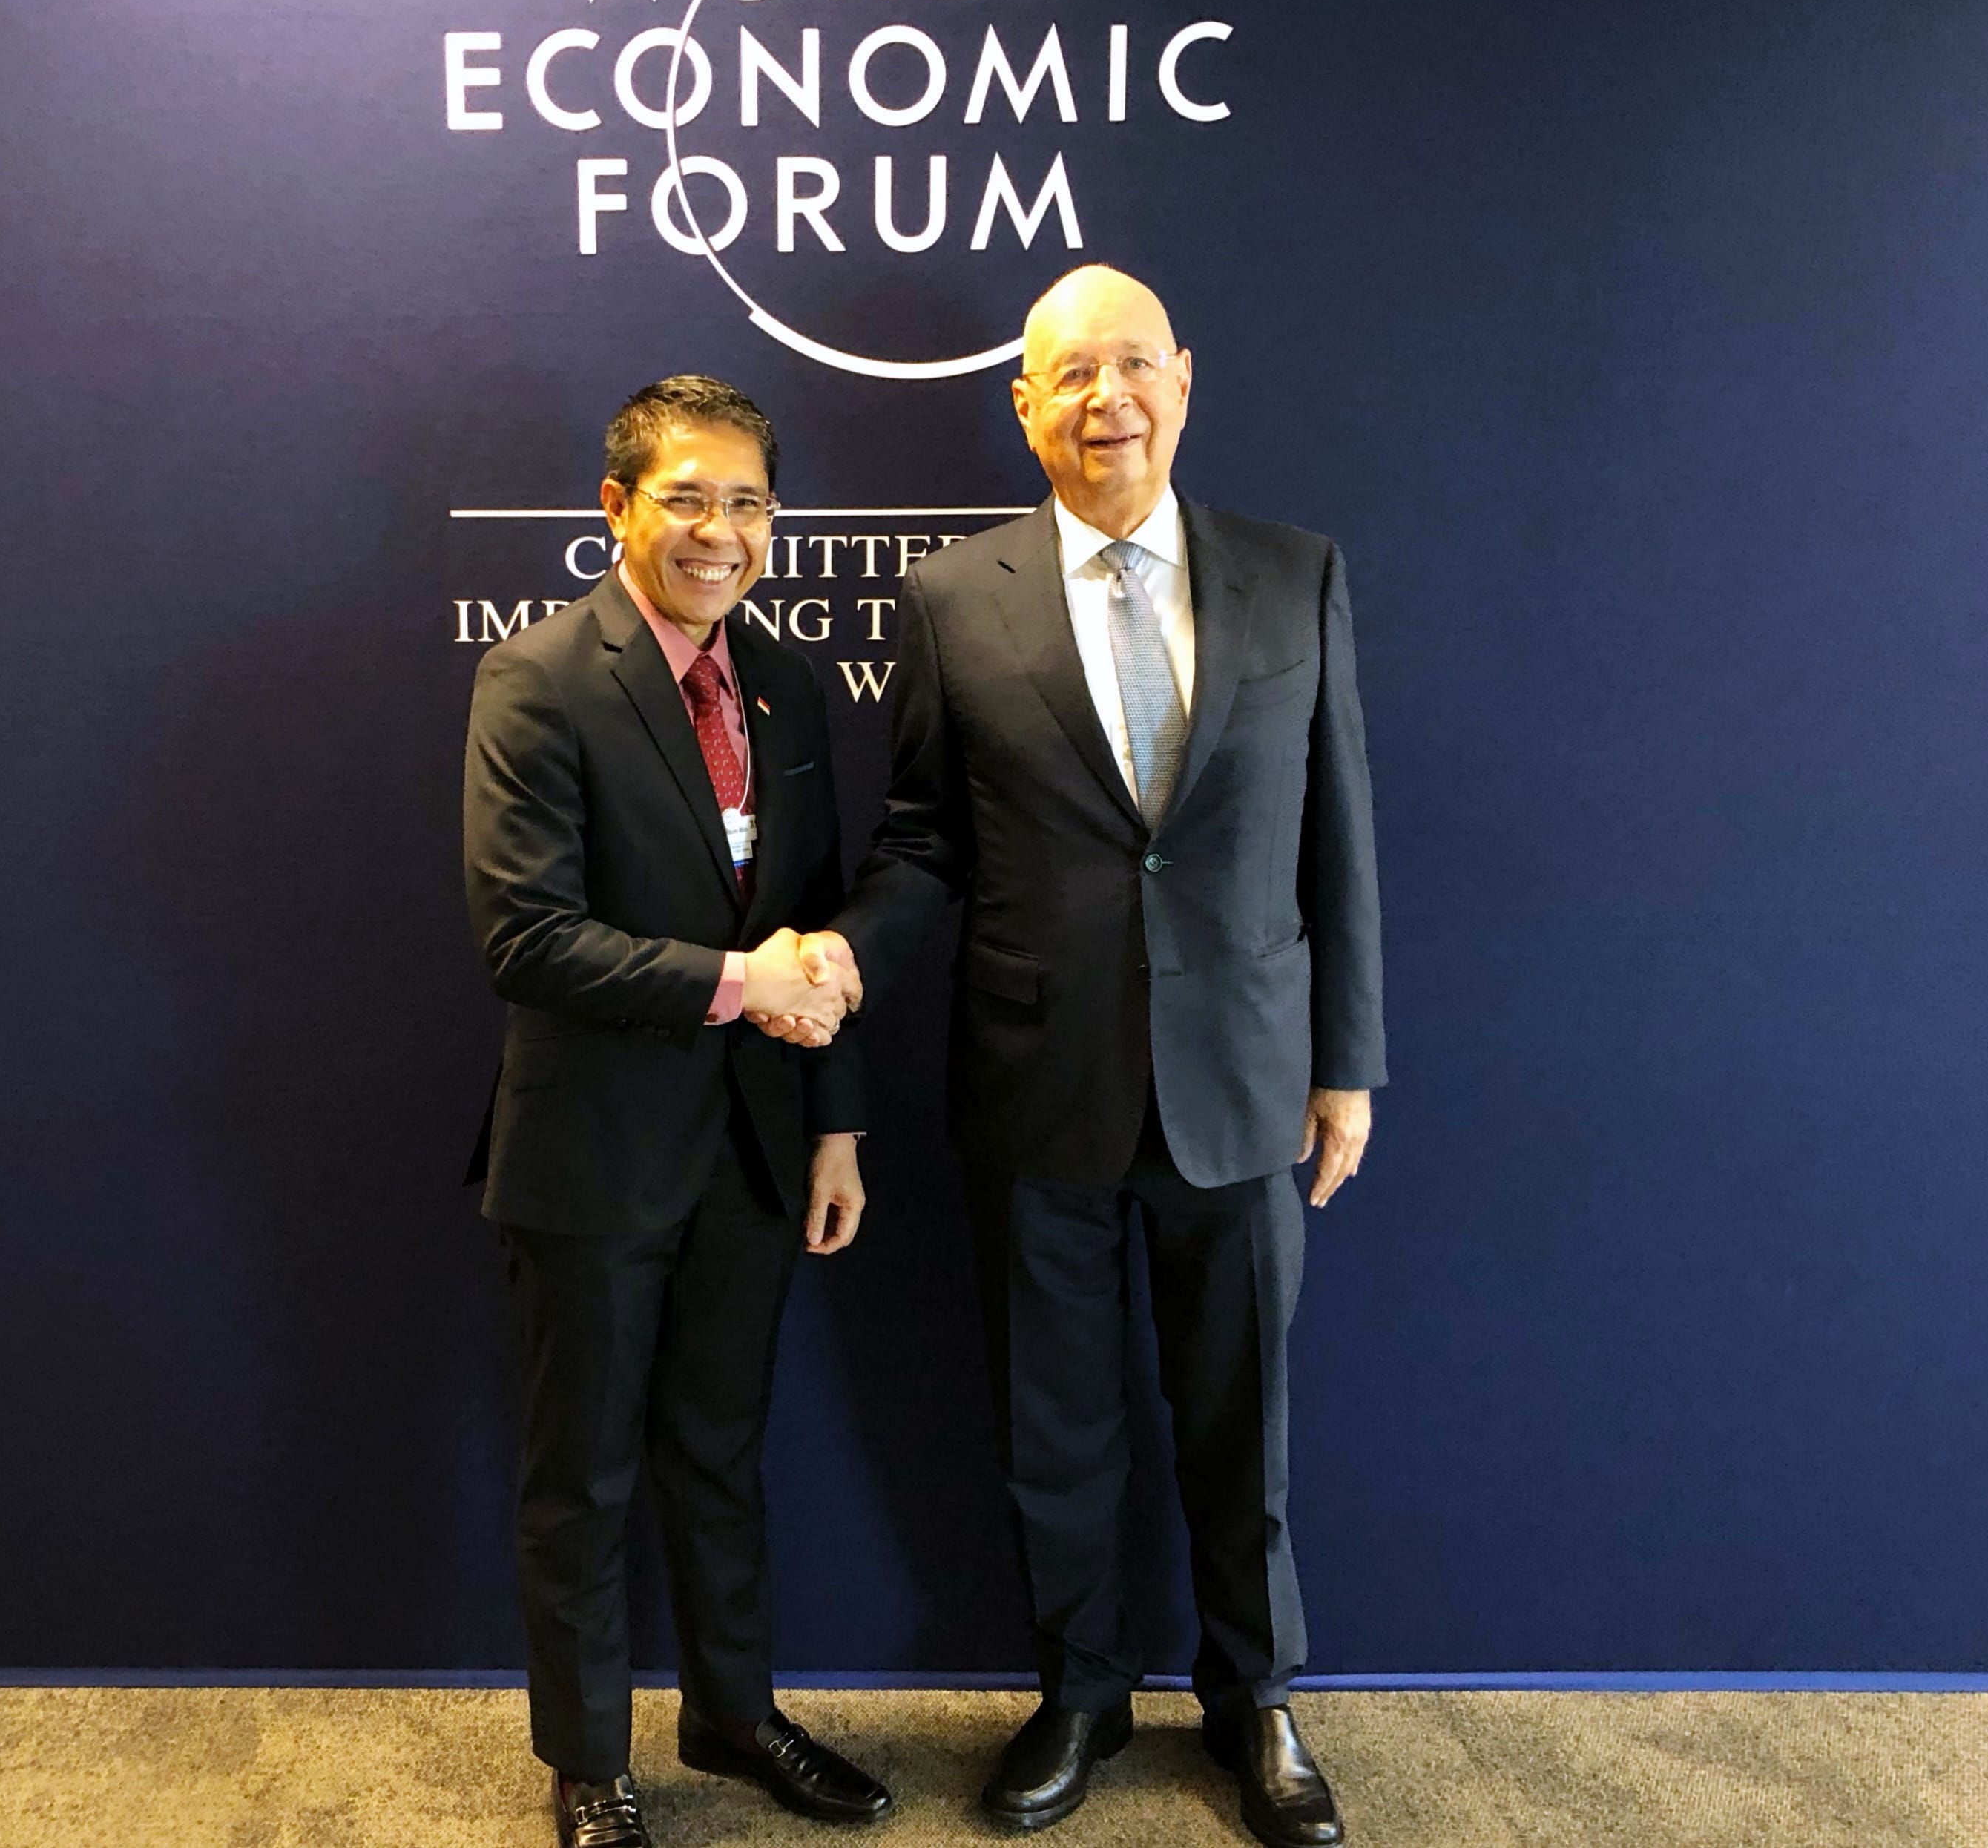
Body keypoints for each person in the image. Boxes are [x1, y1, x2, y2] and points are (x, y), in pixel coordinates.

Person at [765, 266, 1383, 1846]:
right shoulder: (951, 597)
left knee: (1241, 1422)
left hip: (1241, 1078)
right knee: (1054, 1424)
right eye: (1070, 376)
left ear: (1181, 377)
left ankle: (1256, 1701)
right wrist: (848, 949)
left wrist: (1345, 1060)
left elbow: (1338, 831)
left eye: (1131, 365)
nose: (1106, 400)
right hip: (1034, 1080)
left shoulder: (1294, 572)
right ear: (1024, 407)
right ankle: (1082, 1692)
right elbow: (923, 836)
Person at [462, 375, 895, 1848]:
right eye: (687, 499)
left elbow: (814, 922)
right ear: (617, 508)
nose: (720, 531)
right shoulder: (536, 677)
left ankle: (732, 1711)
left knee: (720, 1452)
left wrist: (836, 1126)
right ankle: (589, 1761)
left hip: (755, 1151)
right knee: (581, 1475)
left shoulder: (783, 680)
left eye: (747, 503)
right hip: (591, 1153)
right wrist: (734, 981)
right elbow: (526, 936)